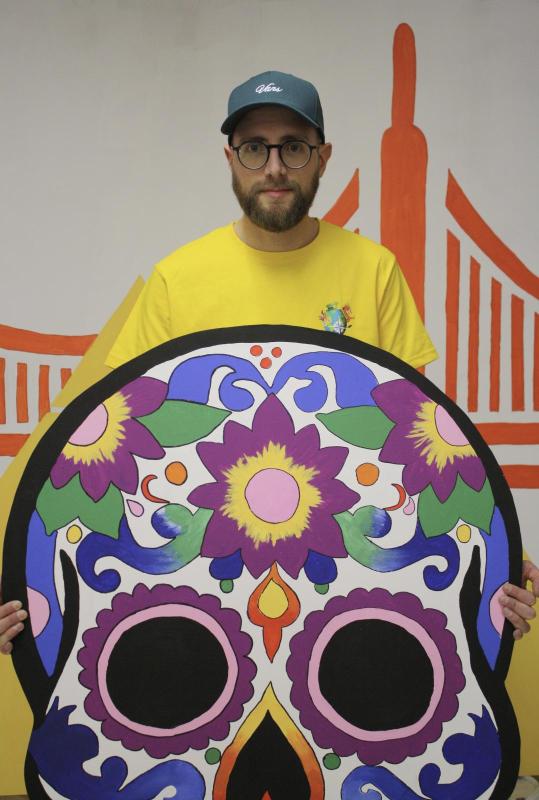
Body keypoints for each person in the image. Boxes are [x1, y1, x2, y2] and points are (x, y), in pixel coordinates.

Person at [1, 70, 537, 654]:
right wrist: (24, 577)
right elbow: (113, 444)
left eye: (294, 147)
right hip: (202, 579)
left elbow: (420, 442)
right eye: (255, 148)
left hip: (345, 576)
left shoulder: (374, 269)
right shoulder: (177, 279)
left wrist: (500, 551)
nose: (275, 167)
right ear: (230, 158)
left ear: (323, 157)